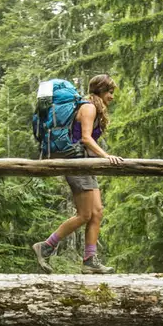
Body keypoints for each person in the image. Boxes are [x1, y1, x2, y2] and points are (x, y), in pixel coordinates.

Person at [32, 74, 123, 274]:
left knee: (97, 211)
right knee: (84, 214)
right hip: (76, 163)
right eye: (110, 92)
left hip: (84, 164)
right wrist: (107, 157)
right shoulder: (89, 107)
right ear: (100, 91)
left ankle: (90, 260)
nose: (112, 97)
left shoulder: (92, 108)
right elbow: (86, 139)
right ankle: (46, 246)